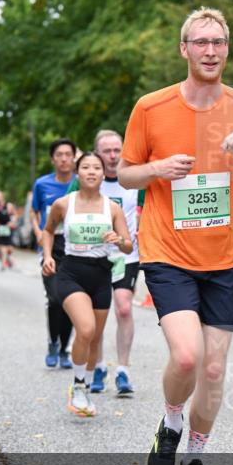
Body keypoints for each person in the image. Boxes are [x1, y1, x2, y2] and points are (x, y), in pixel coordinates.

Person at [119, 7, 233, 465]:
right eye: (201, 42)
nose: (210, 51)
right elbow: (125, 174)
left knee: (213, 369)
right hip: (167, 250)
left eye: (219, 42)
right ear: (184, 49)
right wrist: (157, 169)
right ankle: (170, 425)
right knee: (187, 357)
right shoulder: (151, 107)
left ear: (227, 49)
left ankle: (193, 456)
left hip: (224, 258)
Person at [42, 152, 134, 417]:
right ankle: (78, 386)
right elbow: (48, 230)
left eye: (97, 168)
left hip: (101, 274)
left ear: (104, 174)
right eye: (86, 167)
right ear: (77, 172)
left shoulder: (112, 208)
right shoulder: (63, 203)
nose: (91, 171)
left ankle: (84, 383)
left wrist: (117, 239)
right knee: (86, 328)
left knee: (93, 338)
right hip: (71, 272)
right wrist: (48, 256)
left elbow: (128, 247)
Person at [67, 129, 141, 395]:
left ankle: (123, 370)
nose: (112, 156)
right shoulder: (83, 181)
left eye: (116, 150)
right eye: (106, 151)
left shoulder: (134, 178)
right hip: (91, 258)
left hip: (125, 256)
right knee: (95, 319)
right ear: (97, 153)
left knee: (123, 308)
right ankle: (97, 366)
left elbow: (146, 211)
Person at [31, 138, 78, 369]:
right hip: (50, 246)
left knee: (69, 300)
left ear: (74, 157)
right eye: (59, 154)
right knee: (55, 298)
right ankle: (52, 343)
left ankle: (64, 350)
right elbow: (34, 211)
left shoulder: (80, 183)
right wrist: (38, 232)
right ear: (53, 159)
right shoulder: (42, 184)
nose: (63, 158)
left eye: (68, 154)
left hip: (74, 247)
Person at [0, 192, 16, 271]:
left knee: (8, 249)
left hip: (8, 229)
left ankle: (5, 263)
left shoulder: (8, 206)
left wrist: (12, 222)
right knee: (0, 249)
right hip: (0, 229)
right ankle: (5, 263)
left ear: (2, 197)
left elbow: (15, 215)